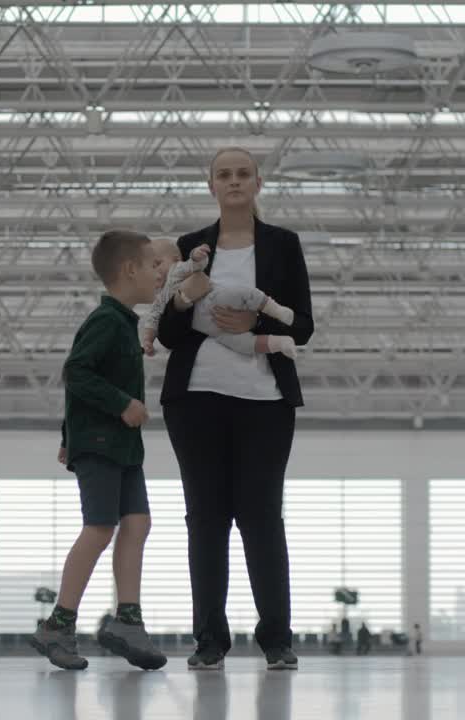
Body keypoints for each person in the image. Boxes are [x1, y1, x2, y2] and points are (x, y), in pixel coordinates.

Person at [156, 146, 314, 672]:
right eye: (224, 175)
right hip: (195, 399)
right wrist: (182, 300)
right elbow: (172, 333)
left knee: (263, 517)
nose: (234, 181)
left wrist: (256, 328)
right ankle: (209, 641)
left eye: (243, 173)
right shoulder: (189, 247)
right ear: (212, 186)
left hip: (266, 401)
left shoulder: (284, 245)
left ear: (258, 183)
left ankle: (277, 639)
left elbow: (303, 326)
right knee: (205, 519)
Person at [35, 229, 168, 672]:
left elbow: (83, 379)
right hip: (102, 444)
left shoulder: (124, 322)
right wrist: (121, 405)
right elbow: (77, 373)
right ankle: (58, 624)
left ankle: (127, 619)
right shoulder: (107, 320)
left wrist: (65, 433)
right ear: (129, 269)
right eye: (153, 264)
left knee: (138, 523)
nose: (159, 272)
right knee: (99, 529)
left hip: (121, 447)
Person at [139, 240, 296, 358]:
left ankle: (277, 310)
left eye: (158, 263)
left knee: (243, 293)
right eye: (151, 267)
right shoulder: (159, 296)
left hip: (215, 299)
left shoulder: (177, 270)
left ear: (175, 260)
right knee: (243, 346)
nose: (155, 270)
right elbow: (153, 319)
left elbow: (195, 265)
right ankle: (280, 343)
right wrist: (147, 340)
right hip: (211, 327)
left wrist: (196, 255)